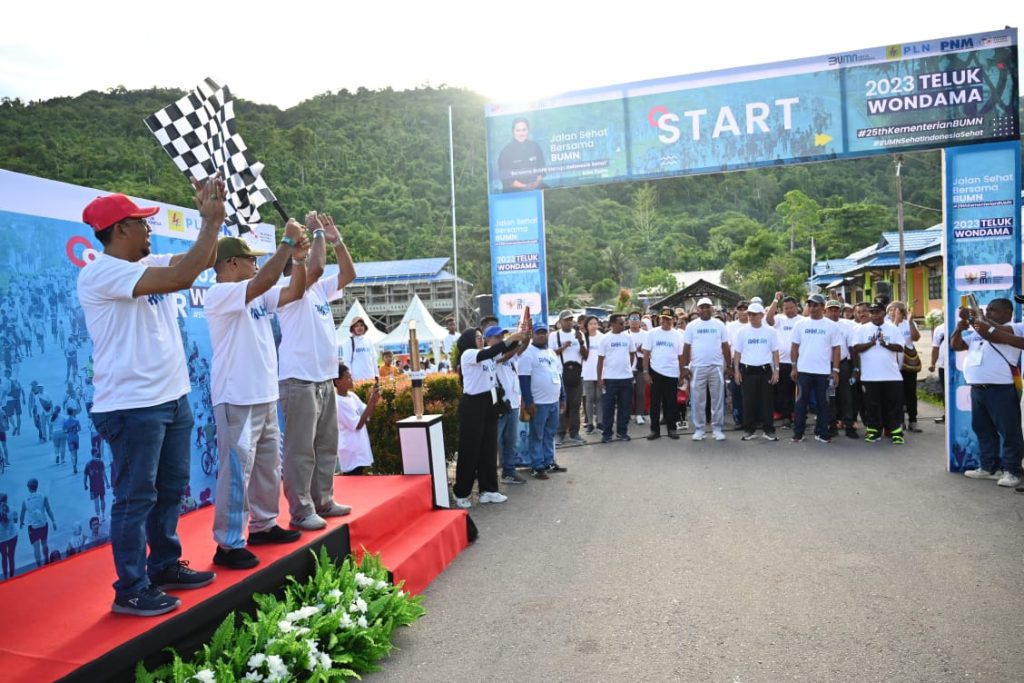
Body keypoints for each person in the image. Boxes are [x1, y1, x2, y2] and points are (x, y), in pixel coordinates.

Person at [79, 181, 222, 616]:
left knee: (169, 489)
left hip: (171, 397)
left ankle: (162, 565)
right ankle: (131, 587)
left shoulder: (146, 261)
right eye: (142, 224)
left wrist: (208, 225)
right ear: (120, 230)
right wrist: (211, 221)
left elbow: (201, 262)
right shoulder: (101, 272)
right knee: (134, 498)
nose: (149, 230)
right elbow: (182, 276)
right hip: (132, 405)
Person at [205, 226, 311, 570]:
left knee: (267, 467)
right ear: (232, 263)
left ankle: (263, 525)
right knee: (236, 472)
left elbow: (295, 291)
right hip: (236, 396)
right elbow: (263, 282)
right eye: (251, 259)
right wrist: (286, 244)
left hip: (264, 395)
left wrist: (298, 259)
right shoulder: (220, 293)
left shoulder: (254, 295)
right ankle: (228, 542)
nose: (256, 264)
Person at [278, 212, 356, 530]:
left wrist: (336, 239)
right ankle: (301, 509)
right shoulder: (288, 289)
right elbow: (318, 267)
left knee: (325, 445)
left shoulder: (320, 291)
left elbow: (348, 273)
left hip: (324, 377)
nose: (311, 259)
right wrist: (318, 233)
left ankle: (323, 500)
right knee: (300, 449)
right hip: (298, 379)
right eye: (305, 257)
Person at [950, 298, 1023, 487]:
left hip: (1001, 389)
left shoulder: (1014, 327)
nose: (989, 313)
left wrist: (975, 319)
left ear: (1008, 312)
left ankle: (1012, 471)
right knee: (984, 430)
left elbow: (993, 335)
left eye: (994, 310)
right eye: (987, 310)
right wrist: (960, 327)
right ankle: (989, 467)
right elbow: (956, 345)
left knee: (1009, 432)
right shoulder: (979, 331)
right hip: (978, 389)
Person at [455, 324, 528, 506]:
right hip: (473, 406)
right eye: (477, 337)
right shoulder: (469, 354)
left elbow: (507, 349)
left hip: (490, 404)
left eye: (481, 337)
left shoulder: (487, 353)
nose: (481, 340)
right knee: (470, 450)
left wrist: (521, 336)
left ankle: (489, 490)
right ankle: (461, 493)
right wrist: (511, 338)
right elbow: (491, 351)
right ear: (468, 341)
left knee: (488, 449)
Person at [789, 294, 841, 444]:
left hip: (823, 372)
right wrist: (794, 366)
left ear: (823, 307)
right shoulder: (800, 324)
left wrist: (835, 371)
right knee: (800, 403)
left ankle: (822, 433)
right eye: (810, 305)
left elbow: (836, 349)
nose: (812, 308)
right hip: (803, 371)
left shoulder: (831, 326)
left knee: (823, 404)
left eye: (815, 305)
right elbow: (794, 347)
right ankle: (798, 434)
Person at [850, 303, 905, 444]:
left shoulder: (893, 328)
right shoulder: (861, 330)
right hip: (870, 376)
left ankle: (896, 432)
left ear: (883, 313)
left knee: (893, 405)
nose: (874, 314)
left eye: (877, 312)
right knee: (872, 405)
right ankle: (874, 432)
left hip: (891, 376)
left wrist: (886, 344)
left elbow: (900, 347)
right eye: (872, 312)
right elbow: (855, 349)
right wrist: (871, 344)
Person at [520, 322, 568, 479]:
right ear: (532, 335)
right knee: (537, 435)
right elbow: (524, 379)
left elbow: (558, 376)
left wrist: (562, 397)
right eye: (538, 332)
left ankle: (549, 462)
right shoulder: (528, 353)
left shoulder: (552, 353)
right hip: (538, 403)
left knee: (549, 434)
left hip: (553, 401)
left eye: (544, 332)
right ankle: (537, 466)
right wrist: (528, 401)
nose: (541, 335)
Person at [681, 298, 731, 442]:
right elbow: (686, 347)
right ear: (697, 309)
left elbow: (725, 346)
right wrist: (685, 367)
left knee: (718, 399)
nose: (704, 309)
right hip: (698, 367)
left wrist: (728, 365)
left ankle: (717, 429)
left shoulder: (719, 324)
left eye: (707, 307)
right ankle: (699, 429)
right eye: (701, 307)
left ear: (712, 308)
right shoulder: (692, 325)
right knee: (698, 400)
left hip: (716, 366)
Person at [732, 302, 780, 441]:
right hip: (747, 370)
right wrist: (736, 371)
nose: (751, 317)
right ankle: (749, 430)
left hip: (765, 370)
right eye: (749, 314)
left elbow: (775, 352)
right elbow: (737, 353)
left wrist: (776, 371)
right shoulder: (741, 332)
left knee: (767, 402)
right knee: (748, 401)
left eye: (754, 314)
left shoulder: (770, 332)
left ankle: (768, 430)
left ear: (761, 315)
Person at [642, 309, 684, 440]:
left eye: (668, 319)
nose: (665, 321)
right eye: (663, 318)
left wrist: (682, 374)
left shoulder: (678, 335)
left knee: (671, 403)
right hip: (655, 371)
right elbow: (646, 354)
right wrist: (645, 372)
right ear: (660, 319)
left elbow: (681, 356)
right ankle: (655, 430)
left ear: (674, 320)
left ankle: (672, 429)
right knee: (655, 403)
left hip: (672, 372)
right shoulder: (652, 333)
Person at [334, 362, 380, 476]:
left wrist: (373, 401)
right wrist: (371, 401)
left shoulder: (352, 396)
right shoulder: (338, 402)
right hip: (351, 454)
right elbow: (358, 424)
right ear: (338, 382)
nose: (351, 379)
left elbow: (367, 414)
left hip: (360, 451)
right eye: (348, 377)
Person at [494, 329, 527, 486]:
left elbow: (521, 348)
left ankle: (508, 471)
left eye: (502, 336)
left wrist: (525, 337)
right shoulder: (491, 354)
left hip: (513, 403)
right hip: (500, 406)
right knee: (494, 441)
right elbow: (506, 356)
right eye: (497, 337)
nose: (501, 338)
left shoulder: (510, 353)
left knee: (510, 441)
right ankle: (487, 473)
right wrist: (516, 343)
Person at [596, 314, 636, 444]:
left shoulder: (628, 337)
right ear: (612, 324)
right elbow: (600, 360)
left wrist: (626, 368)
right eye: (620, 323)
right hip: (610, 378)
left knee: (625, 407)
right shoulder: (605, 339)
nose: (623, 325)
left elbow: (632, 354)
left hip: (626, 378)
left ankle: (622, 432)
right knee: (608, 407)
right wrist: (599, 379)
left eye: (623, 323)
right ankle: (607, 434)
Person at [550, 310, 587, 445]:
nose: (569, 322)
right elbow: (551, 354)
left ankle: (575, 433)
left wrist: (581, 342)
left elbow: (585, 355)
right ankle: (559, 434)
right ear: (560, 322)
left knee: (576, 405)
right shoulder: (554, 336)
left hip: (577, 374)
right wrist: (563, 347)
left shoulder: (579, 334)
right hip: (560, 374)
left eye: (571, 319)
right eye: (566, 320)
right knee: (562, 405)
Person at [766, 294, 804, 427]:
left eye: (791, 307)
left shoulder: (802, 320)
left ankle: (796, 414)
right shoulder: (780, 319)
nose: (789, 310)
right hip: (782, 362)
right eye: (786, 308)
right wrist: (775, 299)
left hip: (799, 362)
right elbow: (768, 318)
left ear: (797, 307)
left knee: (797, 391)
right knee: (783, 391)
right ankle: (786, 415)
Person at [824, 300, 858, 439]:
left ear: (840, 311)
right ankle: (832, 425)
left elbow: (852, 347)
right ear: (825, 311)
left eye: (836, 310)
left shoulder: (846, 325)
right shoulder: (822, 325)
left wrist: (855, 368)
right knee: (831, 396)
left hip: (843, 365)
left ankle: (849, 425)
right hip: (827, 366)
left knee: (846, 396)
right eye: (830, 310)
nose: (833, 312)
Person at [888, 301, 922, 432]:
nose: (892, 312)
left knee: (910, 393)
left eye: (895, 310)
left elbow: (916, 337)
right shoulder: (887, 325)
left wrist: (910, 321)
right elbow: (891, 338)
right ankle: (899, 421)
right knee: (897, 395)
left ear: (902, 312)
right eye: (890, 310)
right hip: (893, 365)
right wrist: (895, 321)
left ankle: (913, 420)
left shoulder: (908, 323)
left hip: (908, 365)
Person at [497, 117, 545, 192]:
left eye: (524, 130)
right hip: (514, 192)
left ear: (528, 131)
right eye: (518, 130)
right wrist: (525, 186)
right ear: (513, 132)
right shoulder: (505, 152)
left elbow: (542, 169)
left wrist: (536, 183)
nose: (521, 133)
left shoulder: (535, 147)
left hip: (536, 188)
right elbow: (506, 179)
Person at [20, 478, 56, 568]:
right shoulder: (43, 496)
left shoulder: (25, 500)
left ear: (29, 488)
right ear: (37, 486)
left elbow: (22, 512)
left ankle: (39, 566)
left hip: (33, 527)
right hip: (43, 524)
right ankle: (47, 559)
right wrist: (53, 521)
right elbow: (48, 509)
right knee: (44, 543)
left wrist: (21, 522)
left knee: (36, 547)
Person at [580, 316, 603, 435]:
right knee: (589, 399)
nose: (594, 326)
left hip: (600, 373)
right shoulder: (583, 337)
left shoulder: (602, 337)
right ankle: (590, 423)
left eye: (595, 323)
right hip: (587, 372)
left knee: (599, 398)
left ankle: (600, 422)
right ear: (586, 326)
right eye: (591, 324)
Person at [626, 312, 649, 426]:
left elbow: (650, 351)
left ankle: (639, 414)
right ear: (628, 321)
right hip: (627, 368)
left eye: (637, 318)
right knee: (627, 393)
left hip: (640, 367)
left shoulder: (646, 334)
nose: (634, 321)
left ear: (640, 321)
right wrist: (634, 349)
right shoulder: (625, 334)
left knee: (640, 392)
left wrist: (641, 350)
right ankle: (628, 413)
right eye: (632, 318)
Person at [342, 316, 379, 383]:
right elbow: (347, 362)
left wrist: (376, 375)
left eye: (361, 325)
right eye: (356, 326)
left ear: (365, 327)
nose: (359, 328)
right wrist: (349, 378)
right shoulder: (349, 342)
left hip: (370, 378)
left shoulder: (369, 341)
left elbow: (374, 359)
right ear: (353, 328)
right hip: (356, 379)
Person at [929, 312, 946, 424]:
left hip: (960, 367)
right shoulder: (939, 329)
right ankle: (946, 414)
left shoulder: (964, 326)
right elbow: (935, 347)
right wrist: (932, 363)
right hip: (943, 366)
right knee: (945, 391)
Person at [84, 450, 110, 522]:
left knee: (96, 501)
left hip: (93, 485)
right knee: (102, 499)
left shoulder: (88, 464)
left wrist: (85, 484)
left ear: (91, 454)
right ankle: (103, 515)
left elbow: (85, 476)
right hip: (101, 483)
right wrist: (107, 483)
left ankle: (98, 516)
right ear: (96, 454)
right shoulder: (101, 462)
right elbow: (104, 473)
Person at [0, 493, 18, 579]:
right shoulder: (13, 508)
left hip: (1, 538)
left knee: (3, 557)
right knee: (11, 556)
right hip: (12, 535)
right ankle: (12, 577)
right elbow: (15, 521)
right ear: (6, 500)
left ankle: (5, 578)